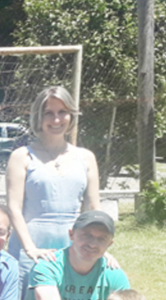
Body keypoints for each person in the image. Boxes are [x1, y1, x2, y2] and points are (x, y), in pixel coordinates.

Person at [7, 86, 103, 283]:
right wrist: (30, 248)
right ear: (38, 118)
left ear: (71, 115)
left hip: (74, 246)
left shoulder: (86, 157)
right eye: (48, 113)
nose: (56, 120)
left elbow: (93, 208)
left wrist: (98, 247)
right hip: (31, 247)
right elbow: (13, 208)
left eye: (62, 112)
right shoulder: (22, 156)